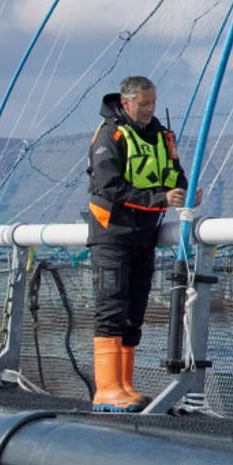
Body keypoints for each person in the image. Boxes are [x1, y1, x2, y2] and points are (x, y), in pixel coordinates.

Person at [86, 75, 189, 412]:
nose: (149, 109)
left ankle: (125, 386)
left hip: (144, 237)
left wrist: (185, 192)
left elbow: (175, 173)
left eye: (153, 103)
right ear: (126, 103)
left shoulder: (161, 135)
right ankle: (106, 389)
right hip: (112, 236)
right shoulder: (110, 136)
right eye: (143, 104)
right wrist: (160, 198)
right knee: (111, 308)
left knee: (134, 313)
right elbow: (109, 186)